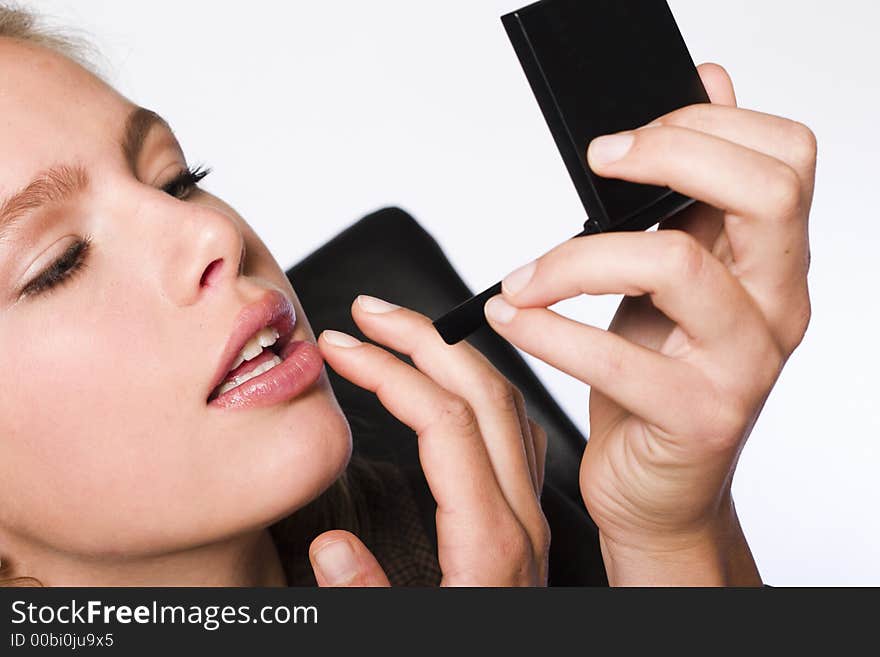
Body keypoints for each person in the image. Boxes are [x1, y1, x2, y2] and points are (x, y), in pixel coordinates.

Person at [0, 5, 815, 587]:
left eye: (180, 181)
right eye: (57, 262)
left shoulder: (466, 521)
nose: (213, 235)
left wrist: (672, 533)